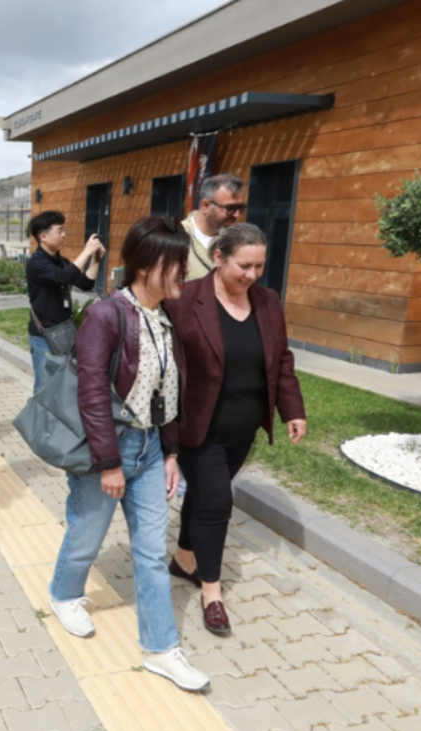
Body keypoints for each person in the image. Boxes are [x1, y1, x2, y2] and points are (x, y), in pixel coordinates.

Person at [46, 216, 210, 693]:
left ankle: (161, 649)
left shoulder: (165, 318)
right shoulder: (106, 315)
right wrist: (109, 462)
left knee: (152, 554)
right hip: (110, 449)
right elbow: (92, 394)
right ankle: (64, 594)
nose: (183, 273)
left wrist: (171, 453)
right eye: (175, 264)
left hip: (152, 448)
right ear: (144, 265)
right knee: (86, 534)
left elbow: (169, 391)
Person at [167, 222, 306, 637]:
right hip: (198, 426)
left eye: (259, 266)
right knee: (215, 502)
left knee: (206, 498)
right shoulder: (186, 299)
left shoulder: (266, 301)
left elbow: (281, 359)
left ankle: (184, 559)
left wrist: (291, 409)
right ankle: (212, 592)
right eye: (244, 265)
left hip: (243, 428)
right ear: (218, 258)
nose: (252, 275)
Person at [25, 211, 104, 390]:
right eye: (59, 231)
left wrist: (96, 259)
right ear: (44, 236)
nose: (63, 235)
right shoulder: (36, 263)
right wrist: (86, 251)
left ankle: (57, 419)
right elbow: (63, 277)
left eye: (64, 230)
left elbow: (85, 283)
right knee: (45, 388)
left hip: (64, 332)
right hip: (44, 335)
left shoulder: (61, 261)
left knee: (63, 386)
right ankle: (39, 419)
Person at [181, 174, 244, 280]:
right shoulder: (174, 236)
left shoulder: (238, 240)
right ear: (206, 206)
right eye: (230, 208)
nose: (236, 215)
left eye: (240, 208)